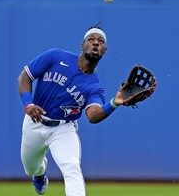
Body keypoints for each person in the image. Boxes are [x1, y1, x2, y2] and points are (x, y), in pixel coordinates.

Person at [18, 24, 124, 196]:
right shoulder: (56, 56)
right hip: (34, 120)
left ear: (105, 50)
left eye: (100, 41)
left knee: (72, 166)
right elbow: (25, 76)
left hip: (63, 128)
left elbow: (92, 115)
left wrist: (114, 102)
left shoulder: (95, 87)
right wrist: (28, 104)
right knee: (30, 168)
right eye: (91, 39)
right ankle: (39, 174)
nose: (95, 43)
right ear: (82, 46)